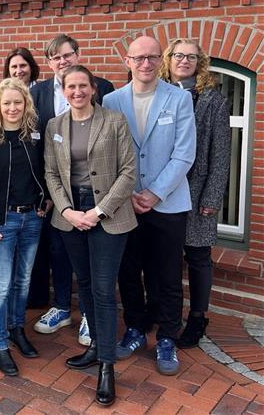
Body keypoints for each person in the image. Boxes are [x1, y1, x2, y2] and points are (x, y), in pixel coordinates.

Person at [44, 65, 137, 406]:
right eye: (71, 86)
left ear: (93, 88)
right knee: (83, 283)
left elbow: (128, 172)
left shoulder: (114, 121)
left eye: (83, 85)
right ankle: (96, 347)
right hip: (70, 213)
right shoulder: (55, 125)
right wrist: (67, 211)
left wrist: (98, 211)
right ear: (64, 89)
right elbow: (51, 173)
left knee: (102, 289)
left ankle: (107, 367)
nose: (78, 91)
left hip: (106, 214)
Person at [103, 36, 196, 376]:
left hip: (168, 203)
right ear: (127, 61)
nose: (146, 64)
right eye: (139, 58)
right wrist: (125, 194)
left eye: (153, 58)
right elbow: (108, 151)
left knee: (168, 275)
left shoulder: (179, 99)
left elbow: (185, 153)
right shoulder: (111, 100)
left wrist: (154, 193)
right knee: (129, 270)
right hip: (125, 203)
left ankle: (168, 337)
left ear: (161, 60)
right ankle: (136, 329)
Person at [30, 34, 115, 345]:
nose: (62, 61)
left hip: (95, 190)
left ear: (78, 55)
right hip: (54, 189)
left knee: (92, 256)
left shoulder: (102, 87)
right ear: (49, 63)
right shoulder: (37, 92)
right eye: (55, 58)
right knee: (60, 251)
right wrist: (50, 195)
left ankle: (89, 316)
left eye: (67, 55)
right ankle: (62, 306)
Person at [0, 78, 48, 377]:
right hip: (1, 221)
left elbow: (45, 172)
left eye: (18, 102)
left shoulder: (34, 136)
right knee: (0, 286)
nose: (13, 108)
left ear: (26, 104)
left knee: (23, 281)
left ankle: (17, 329)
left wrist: (47, 201)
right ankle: (0, 343)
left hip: (32, 218)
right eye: (7, 103)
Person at [159, 38, 231, 348]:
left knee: (199, 257)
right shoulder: (158, 92)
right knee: (165, 258)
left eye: (191, 57)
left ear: (199, 63)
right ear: (169, 59)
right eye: (178, 55)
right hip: (162, 191)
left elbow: (221, 154)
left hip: (198, 191)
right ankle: (161, 311)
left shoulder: (212, 100)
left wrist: (212, 197)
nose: (184, 61)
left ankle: (198, 318)